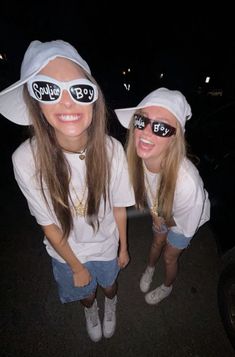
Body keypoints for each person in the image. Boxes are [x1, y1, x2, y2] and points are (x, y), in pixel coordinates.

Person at [0, 39, 135, 342]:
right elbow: (48, 222)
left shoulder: (112, 149)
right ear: (34, 102)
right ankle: (91, 310)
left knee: (110, 286)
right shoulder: (25, 159)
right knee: (85, 294)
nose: (67, 102)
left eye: (79, 90)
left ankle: (111, 304)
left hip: (106, 244)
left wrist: (123, 247)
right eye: (48, 89)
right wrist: (76, 266)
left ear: (93, 99)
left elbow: (119, 205)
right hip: (66, 253)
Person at [115, 87, 210, 305]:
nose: (146, 132)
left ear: (175, 138)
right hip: (161, 207)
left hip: (186, 218)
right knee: (156, 241)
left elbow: (182, 221)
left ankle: (167, 286)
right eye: (141, 121)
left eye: (160, 127)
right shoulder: (139, 157)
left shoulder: (187, 182)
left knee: (169, 255)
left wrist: (161, 218)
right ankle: (149, 268)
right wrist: (157, 216)